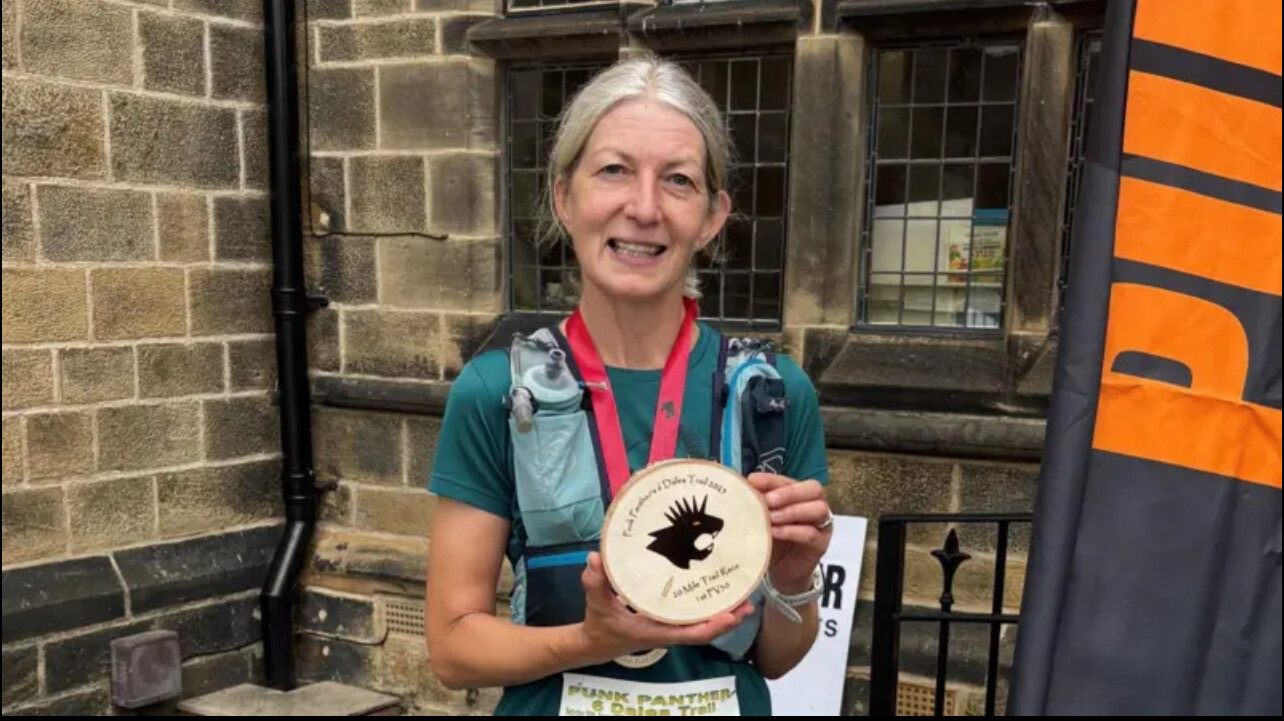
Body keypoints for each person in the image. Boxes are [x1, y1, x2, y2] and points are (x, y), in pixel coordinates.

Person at [425, 55, 834, 716]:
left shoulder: (772, 395)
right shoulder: (497, 391)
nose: (644, 207)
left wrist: (792, 575)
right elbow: (452, 648)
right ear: (565, 197)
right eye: (614, 169)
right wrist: (587, 642)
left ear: (712, 215)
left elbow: (776, 658)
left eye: (678, 180)